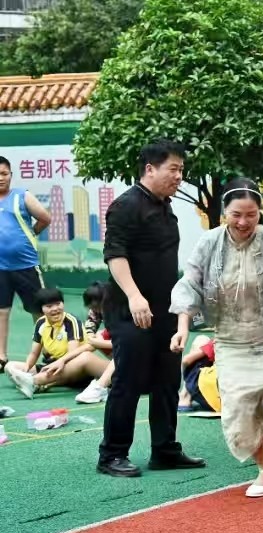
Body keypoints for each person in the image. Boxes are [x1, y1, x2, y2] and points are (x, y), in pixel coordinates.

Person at [171, 180, 263, 498]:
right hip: (230, 342)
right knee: (240, 409)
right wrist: (183, 325)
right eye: (236, 214)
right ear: (224, 212)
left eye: (251, 214)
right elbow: (191, 284)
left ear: (260, 212)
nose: (242, 222)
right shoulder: (209, 243)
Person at [98, 139, 204, 478]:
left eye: (181, 170)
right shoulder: (125, 205)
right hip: (131, 310)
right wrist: (133, 295)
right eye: (173, 169)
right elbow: (115, 254)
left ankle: (165, 449)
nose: (179, 176)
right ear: (150, 169)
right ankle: (112, 454)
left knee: (167, 380)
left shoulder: (165, 205)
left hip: (166, 310)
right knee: (128, 381)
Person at [4, 287, 107, 398]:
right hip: (52, 365)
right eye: (49, 306)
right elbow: (34, 353)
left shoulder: (71, 322)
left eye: (58, 304)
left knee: (83, 358)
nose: (55, 309)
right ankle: (31, 380)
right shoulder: (41, 323)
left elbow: (71, 357)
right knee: (10, 366)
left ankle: (34, 382)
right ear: (42, 309)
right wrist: (27, 367)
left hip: (71, 367)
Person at [0, 155, 51, 369]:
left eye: (4, 173)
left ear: (11, 175)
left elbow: (45, 218)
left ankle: (49, 352)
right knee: (1, 311)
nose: (0, 178)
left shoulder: (22, 196)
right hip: (0, 268)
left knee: (38, 310)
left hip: (26, 265)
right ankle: (1, 356)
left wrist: (31, 235)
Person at [74, 282, 114, 404]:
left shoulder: (122, 309)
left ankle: (101, 386)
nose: (98, 310)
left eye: (99, 306)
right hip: (121, 349)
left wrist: (97, 342)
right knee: (99, 336)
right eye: (93, 307)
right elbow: (90, 328)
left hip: (140, 355)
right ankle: (38, 380)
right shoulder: (95, 310)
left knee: (102, 337)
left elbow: (126, 343)